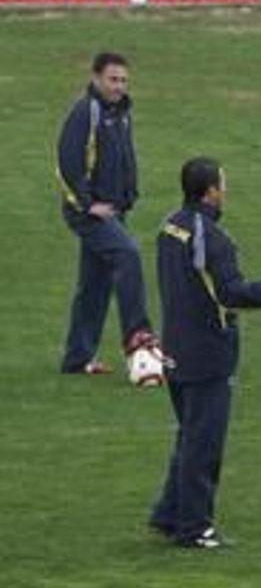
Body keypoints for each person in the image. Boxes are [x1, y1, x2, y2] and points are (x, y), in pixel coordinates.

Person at [149, 158, 261, 549]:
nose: (226, 190)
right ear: (211, 191)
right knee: (204, 443)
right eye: (223, 184)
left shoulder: (170, 225)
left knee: (188, 435)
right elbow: (231, 293)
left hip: (175, 347)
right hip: (208, 354)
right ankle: (194, 527)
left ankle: (169, 513)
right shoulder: (214, 239)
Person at [55, 51, 161, 375]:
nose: (119, 86)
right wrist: (88, 204)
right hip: (89, 213)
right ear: (96, 78)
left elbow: (123, 157)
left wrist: (129, 195)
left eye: (124, 80)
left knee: (94, 284)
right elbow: (66, 163)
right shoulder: (85, 111)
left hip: (114, 210)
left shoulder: (121, 112)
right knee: (127, 254)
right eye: (113, 79)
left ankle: (77, 359)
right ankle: (138, 336)